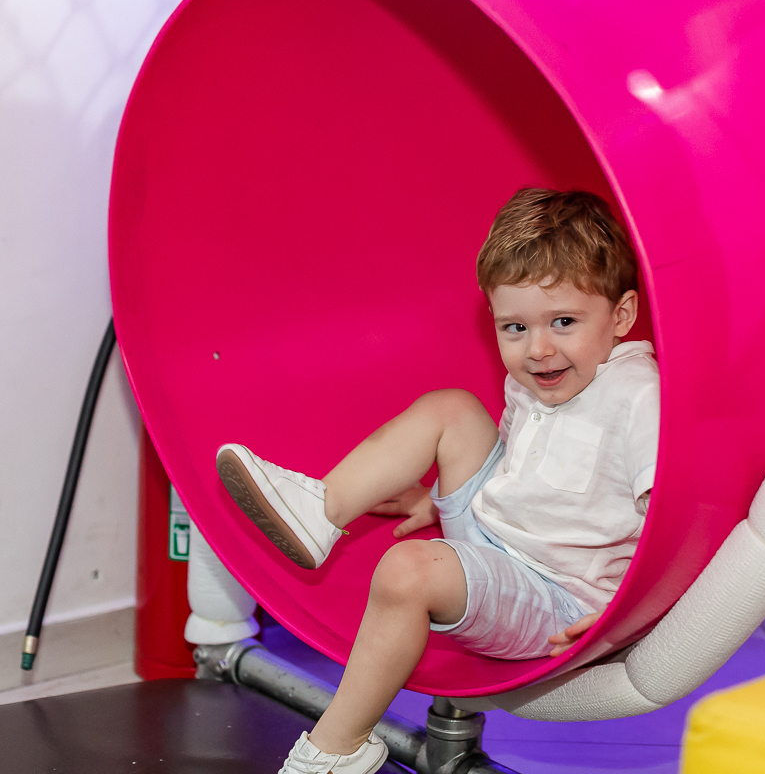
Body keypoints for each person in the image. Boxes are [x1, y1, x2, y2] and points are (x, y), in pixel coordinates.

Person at [215, 188, 660, 774]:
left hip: (556, 595)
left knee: (406, 571)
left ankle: (336, 748)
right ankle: (323, 509)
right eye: (515, 328)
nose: (539, 349)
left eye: (563, 322)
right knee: (450, 408)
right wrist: (439, 497)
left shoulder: (635, 395)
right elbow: (523, 464)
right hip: (495, 537)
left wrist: (624, 619)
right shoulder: (537, 380)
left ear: (621, 316)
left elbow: (668, 518)